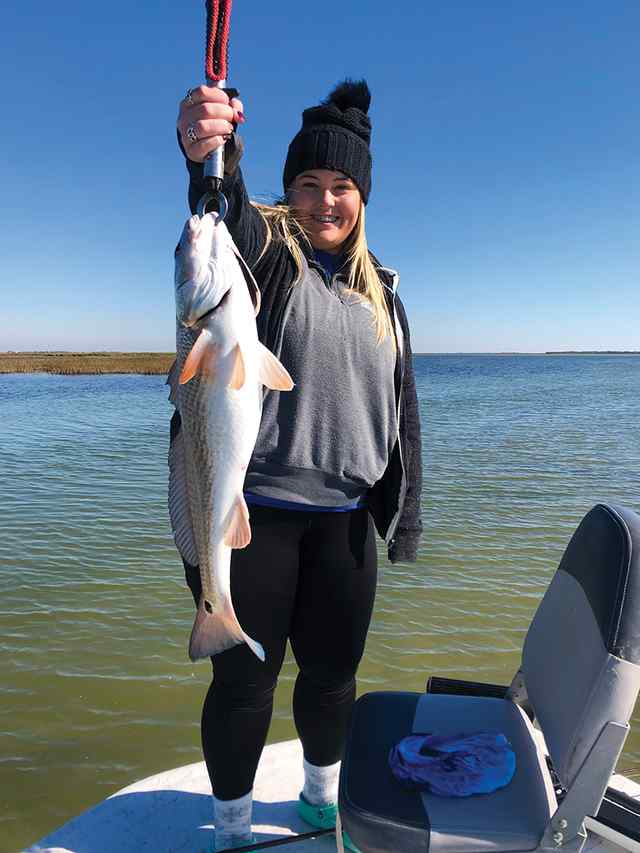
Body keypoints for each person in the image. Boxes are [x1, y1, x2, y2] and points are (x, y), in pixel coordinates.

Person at [173, 79, 423, 851]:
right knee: (243, 683)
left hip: (346, 525)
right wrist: (211, 154)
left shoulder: (382, 288)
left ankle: (320, 801)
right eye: (308, 185)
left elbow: (401, 406)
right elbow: (229, 217)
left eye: (341, 187)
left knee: (332, 681)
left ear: (363, 196)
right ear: (289, 190)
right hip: (259, 520)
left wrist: (404, 515)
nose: (324, 202)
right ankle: (236, 829)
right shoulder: (267, 261)